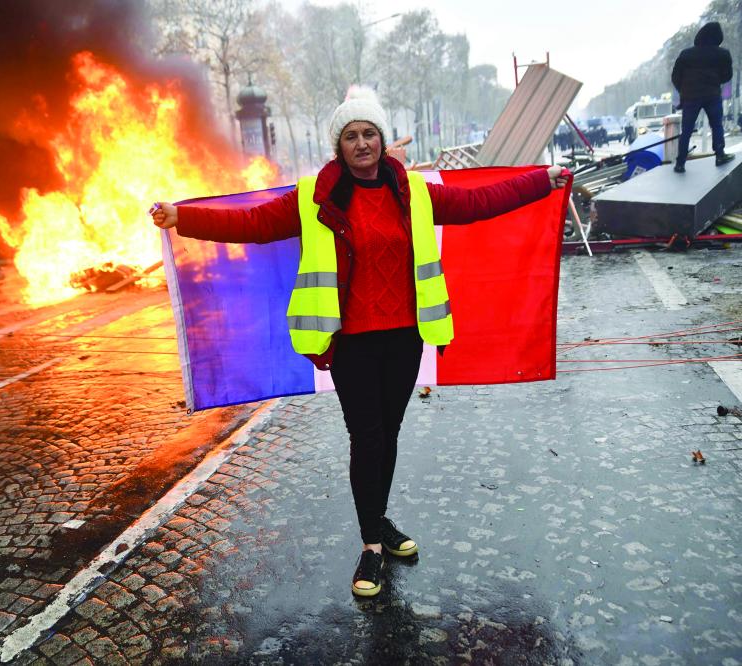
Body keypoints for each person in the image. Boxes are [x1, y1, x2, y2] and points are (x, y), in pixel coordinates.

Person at [151, 86, 568, 597]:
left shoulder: (414, 192)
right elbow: (253, 223)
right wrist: (183, 216)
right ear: (339, 145)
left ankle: (378, 519)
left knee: (387, 435)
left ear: (383, 140)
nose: (362, 143)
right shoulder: (315, 196)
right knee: (367, 437)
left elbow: (479, 203)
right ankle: (371, 545)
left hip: (404, 339)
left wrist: (542, 180)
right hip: (349, 343)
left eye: (370, 133)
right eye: (351, 136)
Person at [671, 21, 735, 172]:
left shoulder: (686, 54)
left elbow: (675, 77)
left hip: (690, 97)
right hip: (712, 95)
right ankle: (720, 155)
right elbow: (727, 75)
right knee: (717, 126)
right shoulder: (723, 54)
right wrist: (715, 81)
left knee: (686, 130)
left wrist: (683, 90)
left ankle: (680, 163)